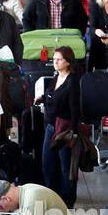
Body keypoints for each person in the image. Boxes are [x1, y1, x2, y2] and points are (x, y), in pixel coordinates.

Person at [41, 44, 82, 205]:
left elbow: (74, 110)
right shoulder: (55, 77)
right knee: (48, 164)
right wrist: (42, 99)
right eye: (54, 59)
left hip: (65, 130)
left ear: (68, 62)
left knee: (66, 167)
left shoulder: (72, 82)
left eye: (59, 60)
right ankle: (52, 197)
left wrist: (74, 133)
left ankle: (67, 202)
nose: (55, 62)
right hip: (51, 127)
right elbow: (50, 95)